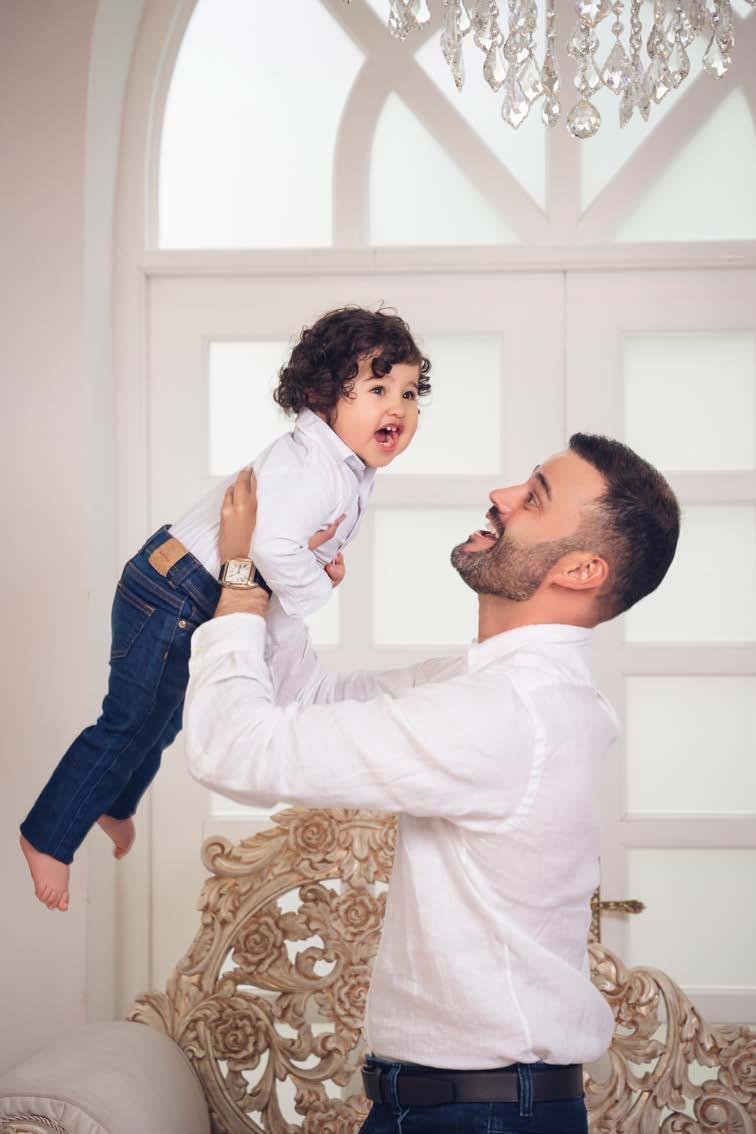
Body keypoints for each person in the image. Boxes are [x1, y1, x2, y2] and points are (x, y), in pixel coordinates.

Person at [182, 433, 680, 1134]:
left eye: (534, 499)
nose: (500, 496)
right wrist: (284, 584)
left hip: (479, 1115)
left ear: (579, 569)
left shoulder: (505, 713)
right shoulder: (492, 690)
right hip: (454, 1105)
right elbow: (308, 701)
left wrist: (238, 580)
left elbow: (233, 749)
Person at [19, 306, 430, 913]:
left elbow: (291, 545)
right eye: (377, 389)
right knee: (128, 720)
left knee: (163, 719)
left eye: (409, 392)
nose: (398, 406)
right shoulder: (313, 467)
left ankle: (113, 803)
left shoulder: (345, 469)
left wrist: (318, 564)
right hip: (172, 590)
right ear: (321, 397)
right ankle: (47, 836)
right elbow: (270, 547)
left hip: (190, 592)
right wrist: (315, 588)